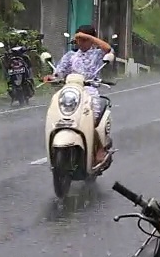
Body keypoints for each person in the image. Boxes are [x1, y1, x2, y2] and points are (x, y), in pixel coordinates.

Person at [42, 25, 114, 167]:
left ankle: (99, 148)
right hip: (71, 91)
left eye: (84, 39)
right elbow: (59, 72)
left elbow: (109, 50)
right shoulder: (70, 55)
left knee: (92, 116)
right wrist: (51, 77)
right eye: (78, 39)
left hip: (90, 90)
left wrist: (91, 38)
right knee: (57, 110)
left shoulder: (98, 54)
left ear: (91, 40)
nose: (80, 42)